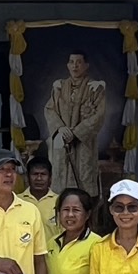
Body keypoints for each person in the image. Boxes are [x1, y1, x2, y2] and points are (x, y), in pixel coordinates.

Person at [43, 50, 106, 196]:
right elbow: (49, 109)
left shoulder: (95, 88)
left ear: (86, 65)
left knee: (84, 181)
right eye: (71, 62)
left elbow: (99, 115)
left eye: (79, 62)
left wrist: (76, 133)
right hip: (62, 141)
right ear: (67, 65)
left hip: (83, 143)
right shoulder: (59, 87)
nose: (75, 66)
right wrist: (60, 128)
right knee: (60, 185)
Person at [20, 156, 59, 237]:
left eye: (43, 174)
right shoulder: (17, 200)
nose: (39, 178)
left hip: (52, 249)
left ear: (50, 177)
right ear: (27, 177)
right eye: (35, 174)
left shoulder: (59, 202)